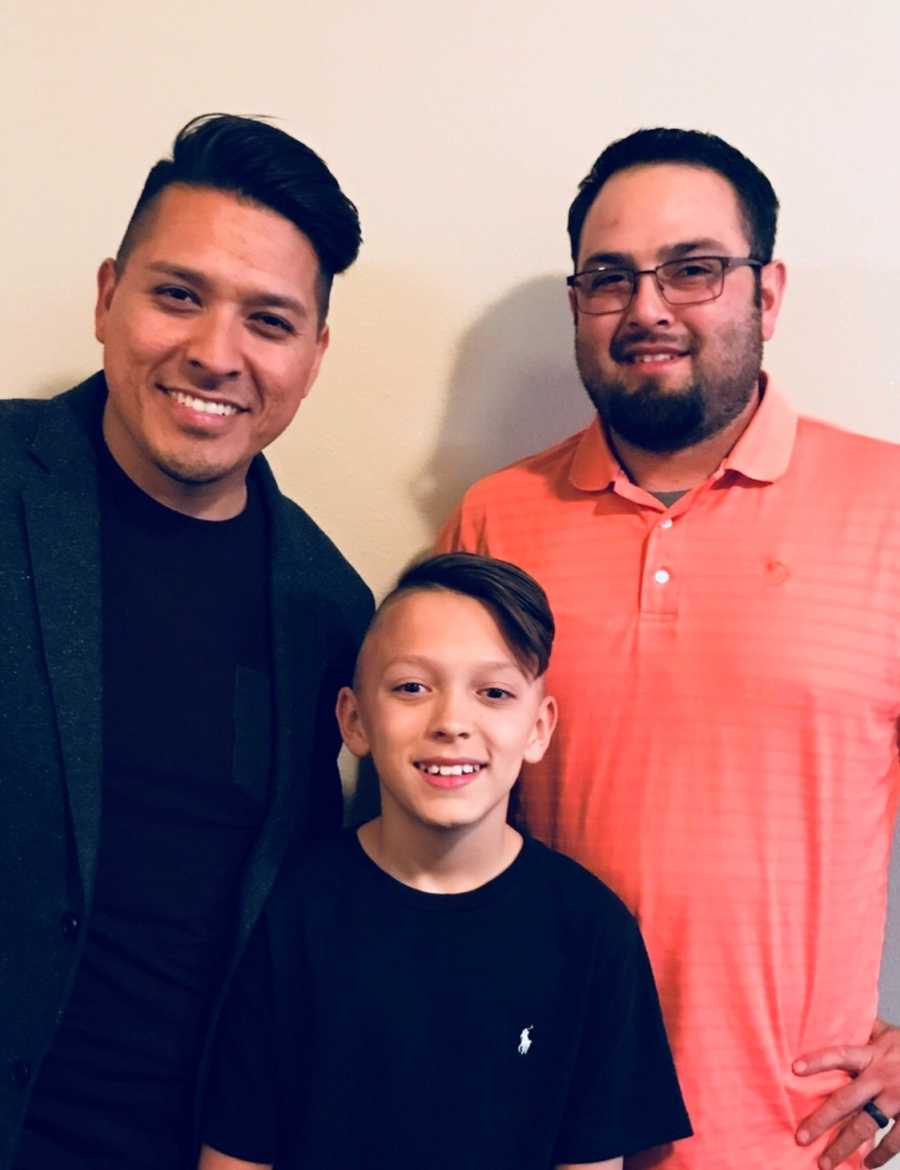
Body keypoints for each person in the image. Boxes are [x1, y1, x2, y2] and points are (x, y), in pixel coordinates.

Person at [437, 129, 900, 1170]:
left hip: (788, 1145)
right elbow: (430, 828)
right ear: (578, 307)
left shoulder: (890, 509)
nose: (648, 308)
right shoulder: (498, 521)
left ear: (766, 294)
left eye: (693, 270)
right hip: (538, 1132)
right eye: (611, 279)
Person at [0, 114, 373, 1170]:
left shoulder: (334, 612)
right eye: (178, 294)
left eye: (269, 319)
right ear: (108, 295)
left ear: (313, 355)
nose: (216, 352)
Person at [198, 552, 692, 1170]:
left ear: (537, 728)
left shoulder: (592, 933)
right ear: (354, 720)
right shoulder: (291, 909)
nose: (452, 722)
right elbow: (235, 1153)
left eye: (494, 692)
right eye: (411, 687)